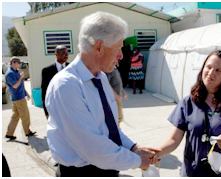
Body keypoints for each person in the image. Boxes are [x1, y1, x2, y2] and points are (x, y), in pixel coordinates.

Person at [45, 11, 159, 177]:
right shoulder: (66, 86)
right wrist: (138, 161)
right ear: (98, 47)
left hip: (108, 165)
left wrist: (134, 147)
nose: (121, 56)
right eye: (118, 48)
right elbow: (93, 149)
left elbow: (109, 128)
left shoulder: (101, 78)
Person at [151, 50, 221, 177]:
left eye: (218, 70)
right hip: (194, 172)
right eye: (208, 67)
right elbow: (173, 139)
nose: (211, 73)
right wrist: (156, 153)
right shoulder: (188, 103)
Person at [5, 57, 36, 140]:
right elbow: (15, 86)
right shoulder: (10, 73)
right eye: (18, 63)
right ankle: (27, 131)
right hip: (18, 98)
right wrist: (21, 77)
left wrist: (26, 93)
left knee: (15, 116)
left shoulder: (15, 72)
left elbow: (20, 85)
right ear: (13, 63)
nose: (19, 64)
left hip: (18, 97)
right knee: (25, 114)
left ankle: (9, 133)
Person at [41, 45, 69, 119]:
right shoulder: (47, 71)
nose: (66, 55)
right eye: (63, 53)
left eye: (67, 53)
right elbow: (44, 92)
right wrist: (46, 112)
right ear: (56, 54)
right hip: (55, 108)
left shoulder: (72, 68)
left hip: (70, 107)